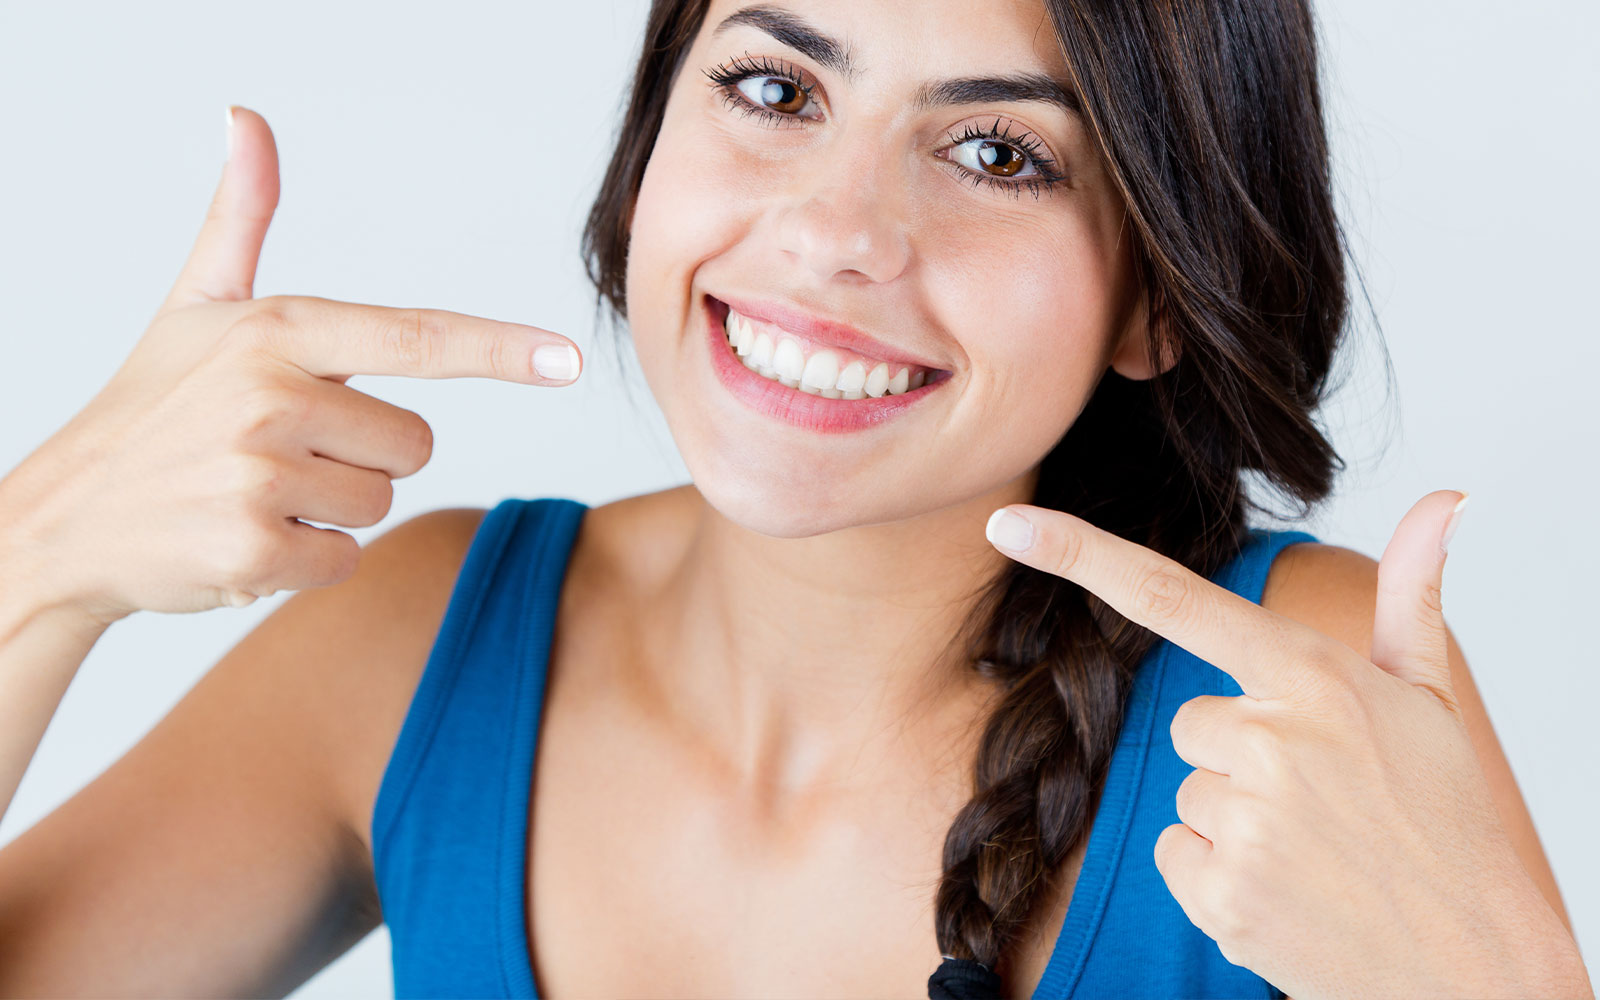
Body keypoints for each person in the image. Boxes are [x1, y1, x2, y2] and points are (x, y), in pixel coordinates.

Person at [0, 0, 1590, 997]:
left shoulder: (1302, 691)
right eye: (775, 88)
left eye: (995, 152)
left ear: (1156, 298)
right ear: (648, 142)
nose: (840, 233)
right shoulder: (420, 639)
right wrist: (37, 555)